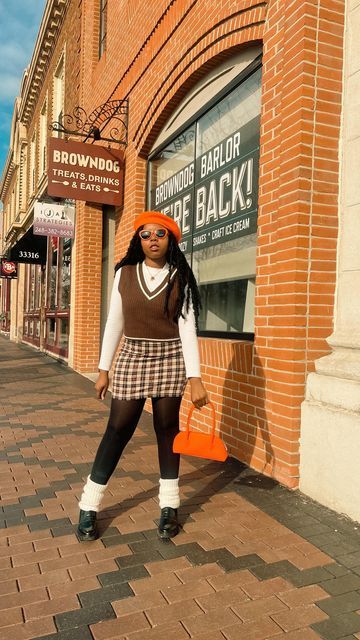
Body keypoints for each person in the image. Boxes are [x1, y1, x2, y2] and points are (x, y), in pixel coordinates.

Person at [77, 210, 208, 542]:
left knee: (167, 430)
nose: (153, 240)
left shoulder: (181, 278)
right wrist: (103, 370)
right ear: (138, 239)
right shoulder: (124, 274)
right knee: (118, 429)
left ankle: (169, 507)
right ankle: (89, 505)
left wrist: (195, 378)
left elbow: (187, 329)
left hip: (170, 359)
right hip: (133, 355)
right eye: (146, 234)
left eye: (160, 234)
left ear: (171, 240)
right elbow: (114, 325)